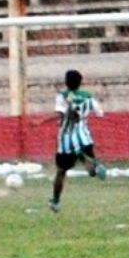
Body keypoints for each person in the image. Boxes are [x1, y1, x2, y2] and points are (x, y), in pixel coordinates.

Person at [45, 69, 106, 213]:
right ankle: (91, 163)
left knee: (61, 171)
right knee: (92, 172)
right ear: (80, 82)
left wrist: (40, 121)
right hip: (84, 137)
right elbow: (100, 113)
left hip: (66, 141)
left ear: (66, 82)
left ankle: (55, 201)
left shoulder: (63, 96)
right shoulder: (88, 97)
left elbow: (59, 114)